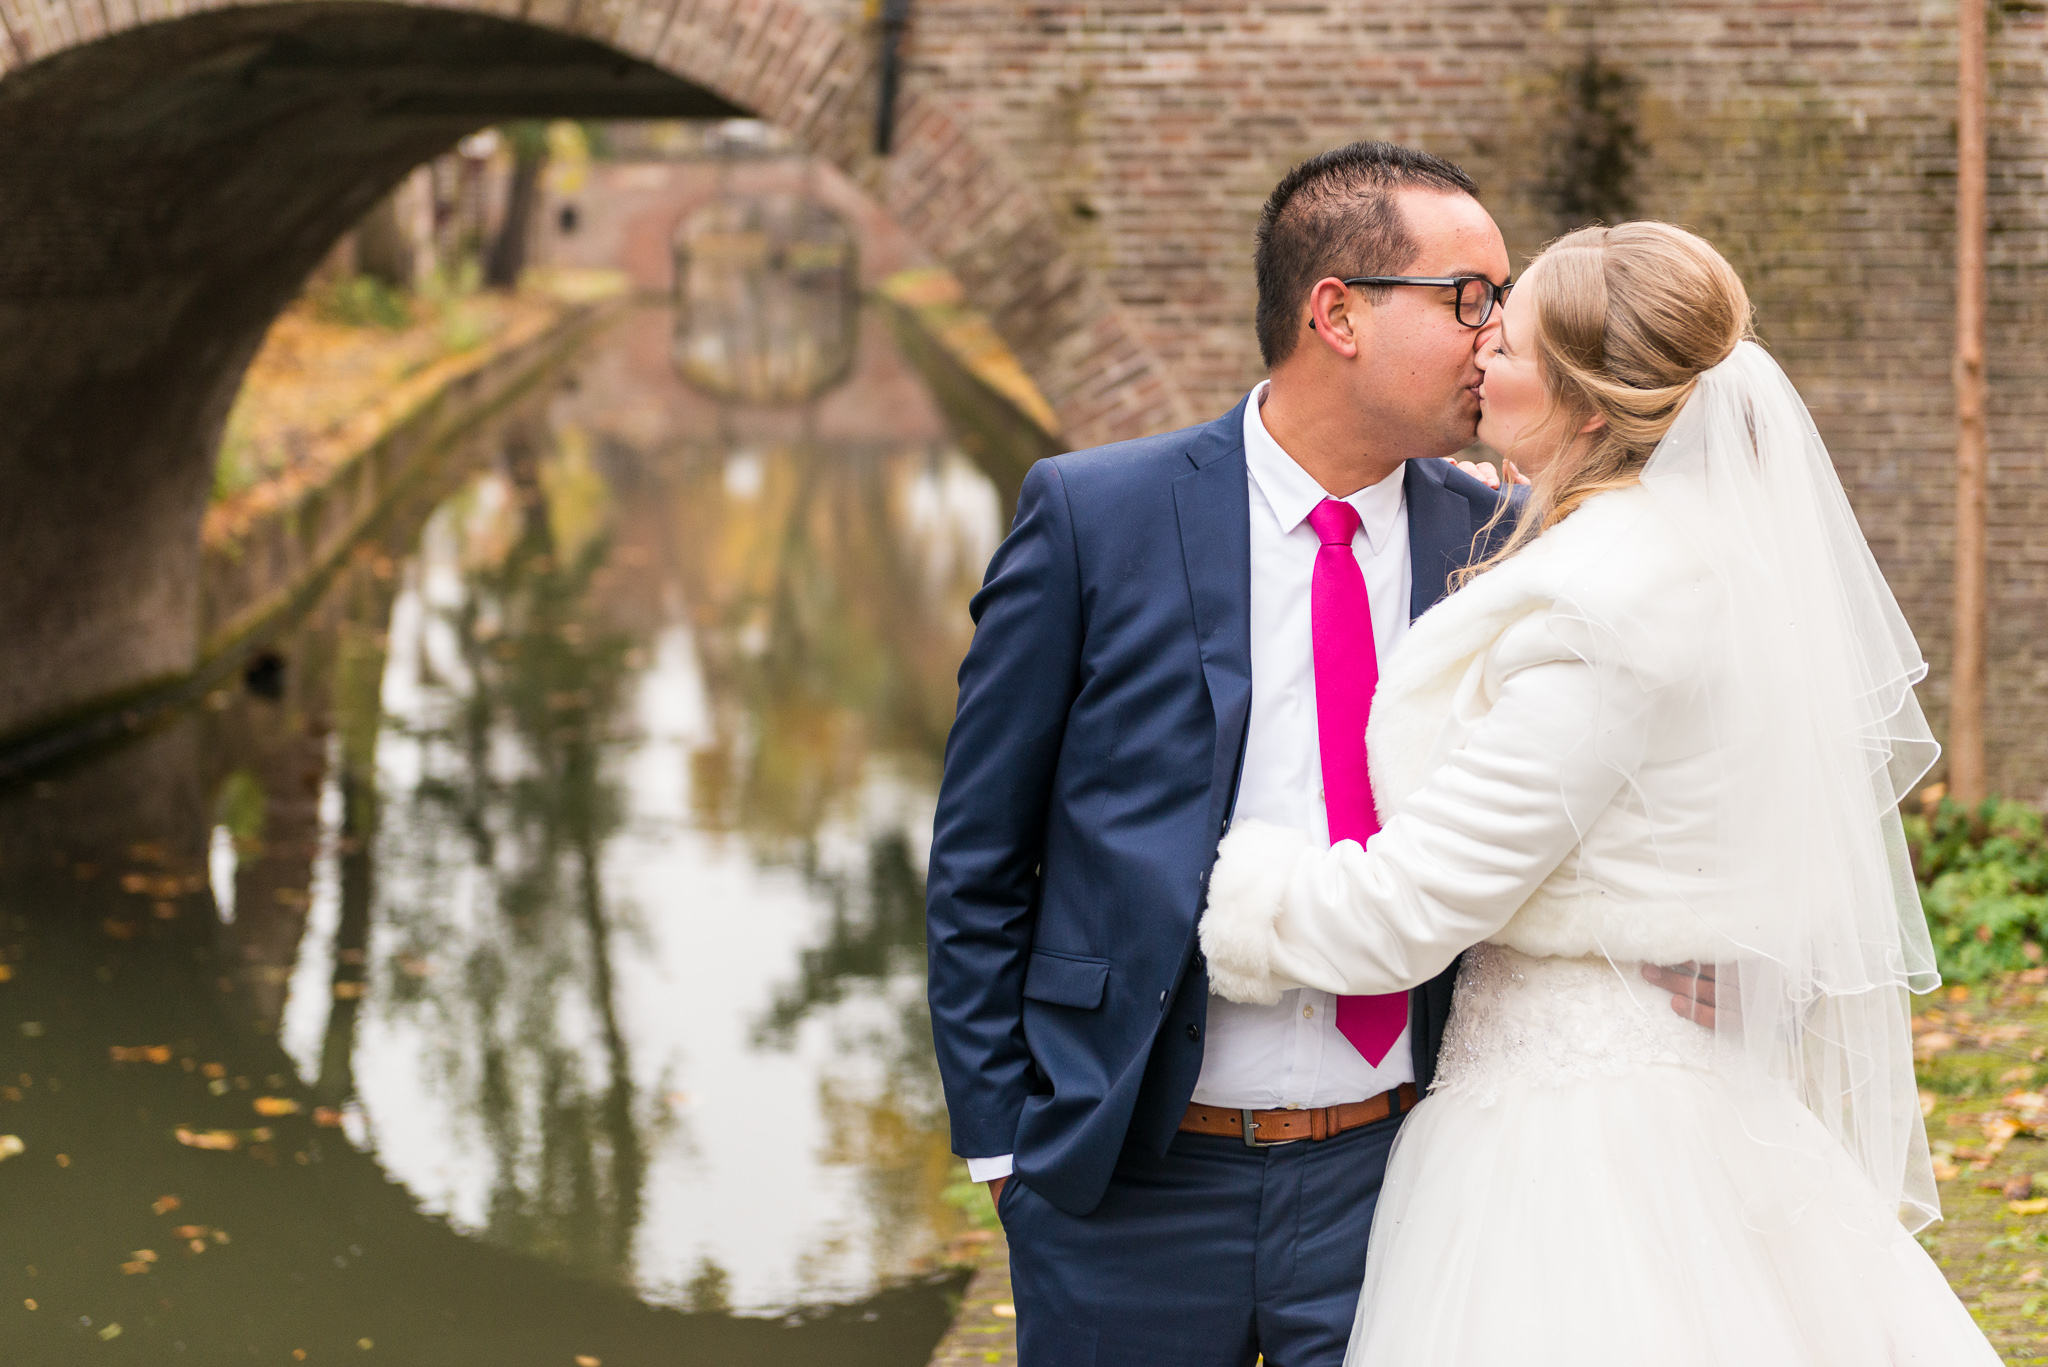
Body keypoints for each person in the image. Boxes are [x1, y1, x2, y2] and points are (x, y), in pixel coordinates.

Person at [925, 142, 1703, 1365]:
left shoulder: (1509, 544)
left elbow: (1584, 795)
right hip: (1126, 1181)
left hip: (1395, 1174)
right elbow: (981, 846)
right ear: (1334, 311)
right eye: (1467, 298)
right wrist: (1006, 1145)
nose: (1498, 334)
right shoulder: (1095, 516)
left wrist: (1669, 939)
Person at [1200, 221, 2001, 1365]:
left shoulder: (1600, 607)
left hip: (1570, 1137)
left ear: (1583, 406)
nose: (1478, 353)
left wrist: (1216, 891)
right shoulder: (1672, 554)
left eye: (1508, 336)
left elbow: (1410, 908)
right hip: (1657, 1076)